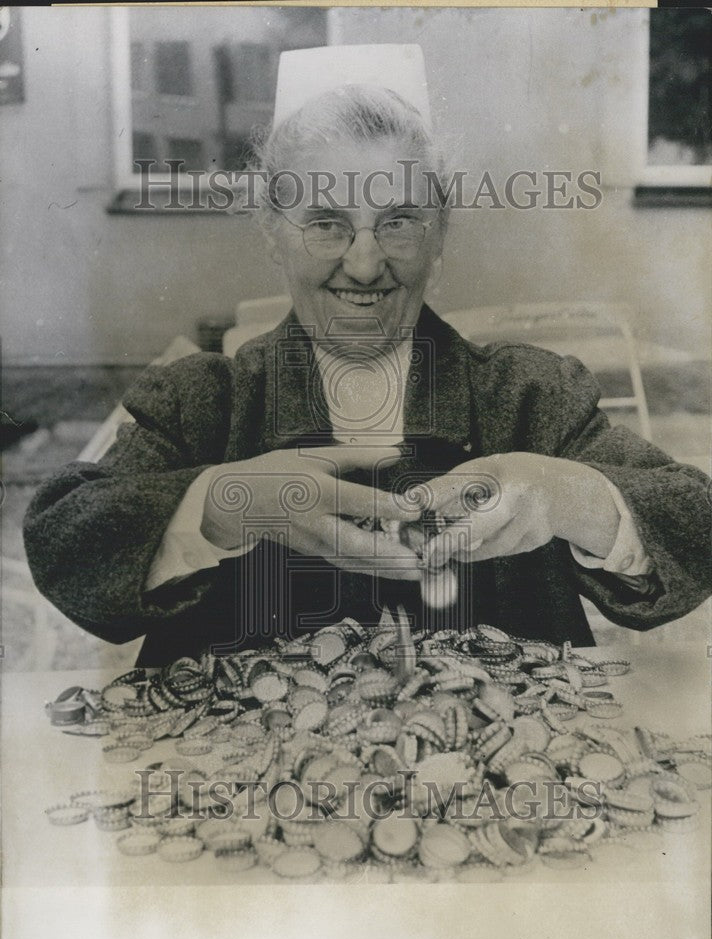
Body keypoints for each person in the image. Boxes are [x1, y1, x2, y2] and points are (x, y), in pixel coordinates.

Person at [24, 45, 711, 668]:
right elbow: (64, 543)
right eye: (326, 224)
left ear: (439, 237)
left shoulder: (528, 397)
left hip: (492, 794)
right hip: (238, 796)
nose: (363, 263)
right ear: (273, 234)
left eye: (399, 222)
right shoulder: (204, 403)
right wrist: (224, 503)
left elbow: (694, 525)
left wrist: (568, 495)